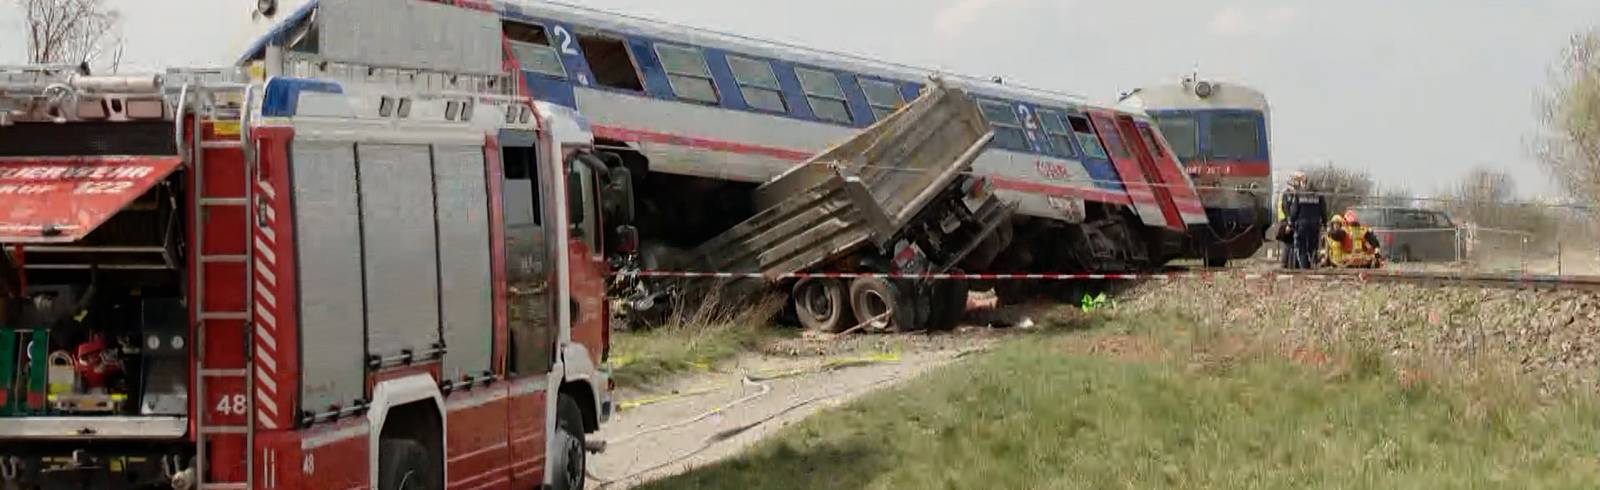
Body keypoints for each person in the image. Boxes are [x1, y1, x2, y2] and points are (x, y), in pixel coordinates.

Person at [1285, 174, 1327, 269]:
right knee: (1313, 247)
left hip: (1302, 226)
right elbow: (1323, 210)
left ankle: (1305, 269)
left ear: (1304, 183)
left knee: (1302, 248)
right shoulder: (1319, 195)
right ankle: (1313, 263)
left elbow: (1294, 211)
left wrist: (1290, 224)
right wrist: (1325, 224)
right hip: (1315, 225)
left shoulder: (1299, 194)